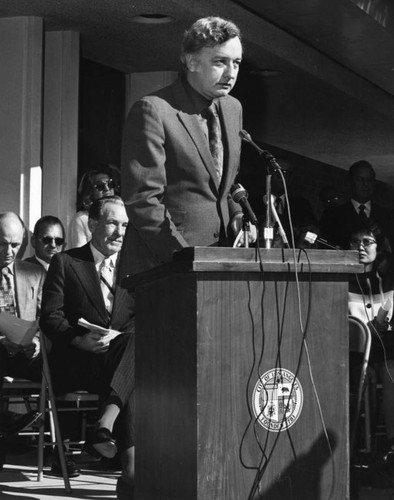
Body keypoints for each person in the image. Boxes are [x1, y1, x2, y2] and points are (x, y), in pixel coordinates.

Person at [120, 16, 256, 277]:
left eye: (236, 63)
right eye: (220, 62)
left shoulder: (232, 108)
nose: (231, 73)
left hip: (223, 263)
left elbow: (224, 184)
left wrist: (238, 216)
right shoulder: (153, 110)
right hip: (166, 267)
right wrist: (183, 260)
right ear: (191, 61)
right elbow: (143, 200)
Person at [40, 196, 135, 499]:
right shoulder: (67, 262)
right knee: (134, 376)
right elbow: (50, 317)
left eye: (125, 226)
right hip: (80, 362)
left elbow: (143, 317)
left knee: (135, 343)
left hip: (121, 359)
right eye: (113, 223)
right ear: (94, 224)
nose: (120, 232)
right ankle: (130, 470)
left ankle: (106, 428)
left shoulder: (135, 269)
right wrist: (79, 339)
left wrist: (119, 335)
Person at [347, 223, 394, 466]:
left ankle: (390, 443)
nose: (361, 247)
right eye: (355, 242)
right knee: (367, 374)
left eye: (367, 241)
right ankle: (360, 446)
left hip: (384, 348)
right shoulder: (342, 279)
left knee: (390, 371)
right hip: (354, 353)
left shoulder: (387, 279)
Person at [0, 213, 43, 441]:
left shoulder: (34, 273)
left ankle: (59, 447)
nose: (9, 251)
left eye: (15, 245)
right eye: (2, 243)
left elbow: (47, 318)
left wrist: (37, 342)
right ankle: (5, 419)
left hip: (26, 353)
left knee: (60, 362)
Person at [320, 160, 393, 250]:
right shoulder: (333, 214)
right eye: (359, 179)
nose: (365, 184)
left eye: (369, 180)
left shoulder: (386, 215)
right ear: (350, 183)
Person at [68, 164, 120, 248]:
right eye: (100, 186)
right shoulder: (82, 219)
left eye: (110, 184)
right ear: (90, 192)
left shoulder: (121, 218)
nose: (107, 189)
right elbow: (80, 256)